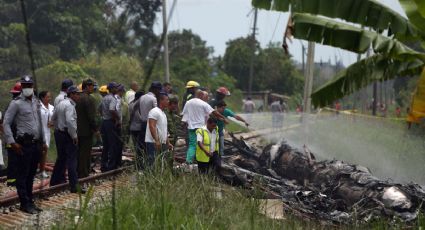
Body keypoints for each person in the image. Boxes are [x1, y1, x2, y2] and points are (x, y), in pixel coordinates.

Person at [3, 75, 45, 214]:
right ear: (22, 87)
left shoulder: (36, 102)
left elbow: (39, 123)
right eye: (25, 86)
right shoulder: (16, 103)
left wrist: (43, 141)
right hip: (24, 144)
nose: (28, 88)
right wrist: (12, 142)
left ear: (33, 86)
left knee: (31, 174)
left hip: (36, 144)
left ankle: (30, 201)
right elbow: (6, 123)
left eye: (30, 85)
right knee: (23, 175)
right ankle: (24, 203)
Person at [50, 85, 84, 193]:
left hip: (59, 133)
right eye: (77, 94)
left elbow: (53, 117)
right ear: (72, 94)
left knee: (61, 158)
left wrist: (57, 126)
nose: (79, 96)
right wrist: (74, 136)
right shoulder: (69, 105)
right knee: (72, 160)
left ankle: (54, 181)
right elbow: (70, 122)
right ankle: (74, 186)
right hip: (67, 135)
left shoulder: (61, 103)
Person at [181, 90, 225, 163]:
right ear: (201, 95)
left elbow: (184, 114)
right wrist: (223, 117)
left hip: (191, 127)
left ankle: (189, 161)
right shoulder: (203, 103)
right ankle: (203, 159)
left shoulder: (188, 102)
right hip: (201, 128)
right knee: (203, 143)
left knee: (192, 145)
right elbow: (214, 112)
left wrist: (183, 124)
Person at [76, 79, 98, 178]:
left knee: (78, 152)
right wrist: (96, 129)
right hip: (86, 131)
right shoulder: (89, 99)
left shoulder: (77, 97)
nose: (93, 88)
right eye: (92, 86)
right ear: (87, 86)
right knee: (85, 154)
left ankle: (77, 172)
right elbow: (91, 117)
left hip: (77, 131)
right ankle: (83, 174)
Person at [145, 92, 173, 168]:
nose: (168, 102)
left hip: (162, 143)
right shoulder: (154, 111)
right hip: (153, 142)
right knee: (152, 163)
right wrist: (156, 140)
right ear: (161, 100)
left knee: (161, 164)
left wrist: (168, 142)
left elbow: (164, 129)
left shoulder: (163, 114)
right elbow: (152, 126)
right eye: (166, 100)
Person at [138, 81, 162, 166]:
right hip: (151, 124)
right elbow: (156, 112)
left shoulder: (142, 97)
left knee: (142, 146)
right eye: (159, 90)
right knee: (151, 146)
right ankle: (151, 166)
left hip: (143, 123)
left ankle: (141, 166)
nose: (159, 92)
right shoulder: (153, 99)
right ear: (155, 89)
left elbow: (140, 111)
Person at [100, 82, 121, 171]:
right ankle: (111, 166)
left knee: (106, 145)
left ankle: (103, 165)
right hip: (110, 123)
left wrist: (104, 115)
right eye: (115, 87)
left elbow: (99, 109)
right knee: (113, 144)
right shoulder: (113, 99)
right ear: (112, 89)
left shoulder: (104, 98)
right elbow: (112, 110)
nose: (117, 89)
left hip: (104, 123)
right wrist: (117, 119)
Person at [5, 82, 22, 186]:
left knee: (14, 160)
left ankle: (13, 179)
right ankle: (12, 181)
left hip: (10, 137)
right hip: (13, 138)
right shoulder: (15, 106)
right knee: (14, 160)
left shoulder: (11, 105)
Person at [38, 91, 54, 178]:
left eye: (49, 97)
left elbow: (55, 118)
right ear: (42, 98)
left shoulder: (51, 107)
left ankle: (42, 170)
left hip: (47, 132)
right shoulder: (38, 107)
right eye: (47, 97)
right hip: (39, 132)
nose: (49, 98)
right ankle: (39, 170)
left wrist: (52, 123)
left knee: (45, 151)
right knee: (40, 151)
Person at [129, 91, 145, 169]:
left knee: (136, 147)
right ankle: (140, 164)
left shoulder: (130, 103)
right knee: (141, 147)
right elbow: (140, 116)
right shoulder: (139, 103)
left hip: (132, 128)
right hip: (139, 127)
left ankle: (137, 163)